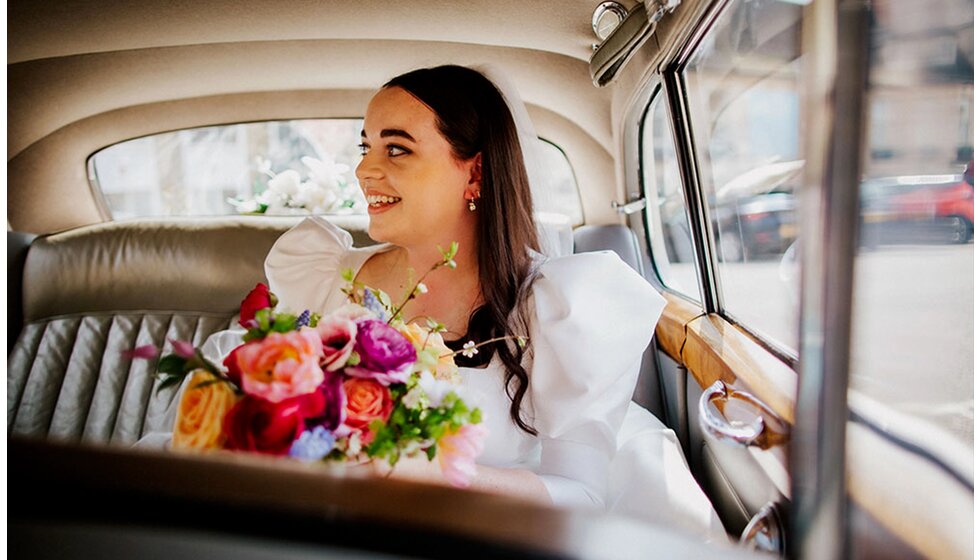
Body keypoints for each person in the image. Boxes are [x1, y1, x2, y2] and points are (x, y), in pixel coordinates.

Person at [202, 64, 725, 539]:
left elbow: (583, 496)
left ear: (474, 173)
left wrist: (441, 474)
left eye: (397, 148)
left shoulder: (561, 306)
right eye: (366, 148)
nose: (364, 171)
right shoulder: (322, 280)